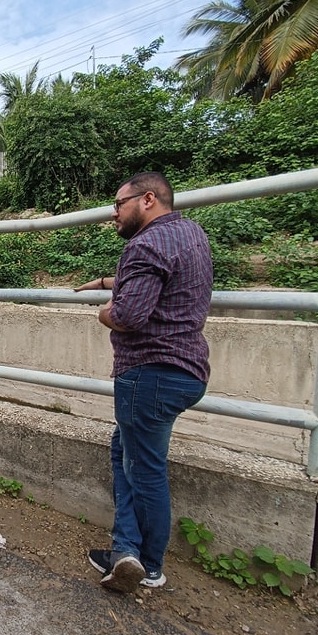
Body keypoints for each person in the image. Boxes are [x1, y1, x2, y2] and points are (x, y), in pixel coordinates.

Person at [75, 172, 213, 594]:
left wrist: (103, 311)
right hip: (185, 370)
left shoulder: (144, 244)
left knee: (144, 469)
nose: (114, 214)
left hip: (150, 373)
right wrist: (107, 282)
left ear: (147, 199)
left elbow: (128, 316)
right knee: (126, 452)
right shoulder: (191, 234)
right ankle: (127, 551)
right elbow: (158, 281)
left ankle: (146, 565)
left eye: (119, 204)